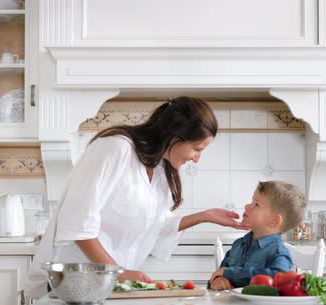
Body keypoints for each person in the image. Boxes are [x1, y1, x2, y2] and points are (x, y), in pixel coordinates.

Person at [27, 96, 250, 292]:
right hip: (73, 284)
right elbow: (78, 225)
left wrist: (204, 216)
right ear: (175, 136)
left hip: (108, 286)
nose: (196, 158)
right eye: (197, 148)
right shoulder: (114, 149)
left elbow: (153, 226)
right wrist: (118, 272)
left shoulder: (161, 169)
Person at [209, 181, 306, 291]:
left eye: (256, 204)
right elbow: (217, 275)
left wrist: (232, 273)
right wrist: (217, 281)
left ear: (274, 221)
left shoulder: (277, 251)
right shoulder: (238, 245)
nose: (246, 206)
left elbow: (281, 277)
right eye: (251, 201)